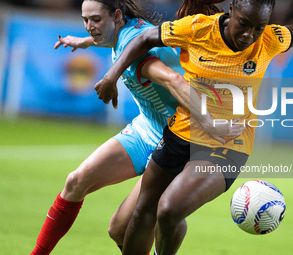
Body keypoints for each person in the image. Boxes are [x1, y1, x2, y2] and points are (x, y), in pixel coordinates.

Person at [93, 0, 293, 254]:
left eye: (259, 27)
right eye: (244, 24)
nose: (249, 35)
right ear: (232, 11)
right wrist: (111, 75)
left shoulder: (271, 39)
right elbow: (144, 39)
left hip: (228, 144)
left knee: (169, 209)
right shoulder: (198, 28)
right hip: (181, 132)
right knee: (143, 210)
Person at [30, 0, 236, 254]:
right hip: (147, 127)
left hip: (175, 138)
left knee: (119, 228)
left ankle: (169, 223)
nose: (89, 26)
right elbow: (106, 39)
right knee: (75, 181)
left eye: (95, 19)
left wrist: (208, 120)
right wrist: (80, 40)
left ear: (116, 15)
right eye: (85, 20)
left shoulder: (134, 47)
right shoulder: (122, 30)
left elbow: (173, 80)